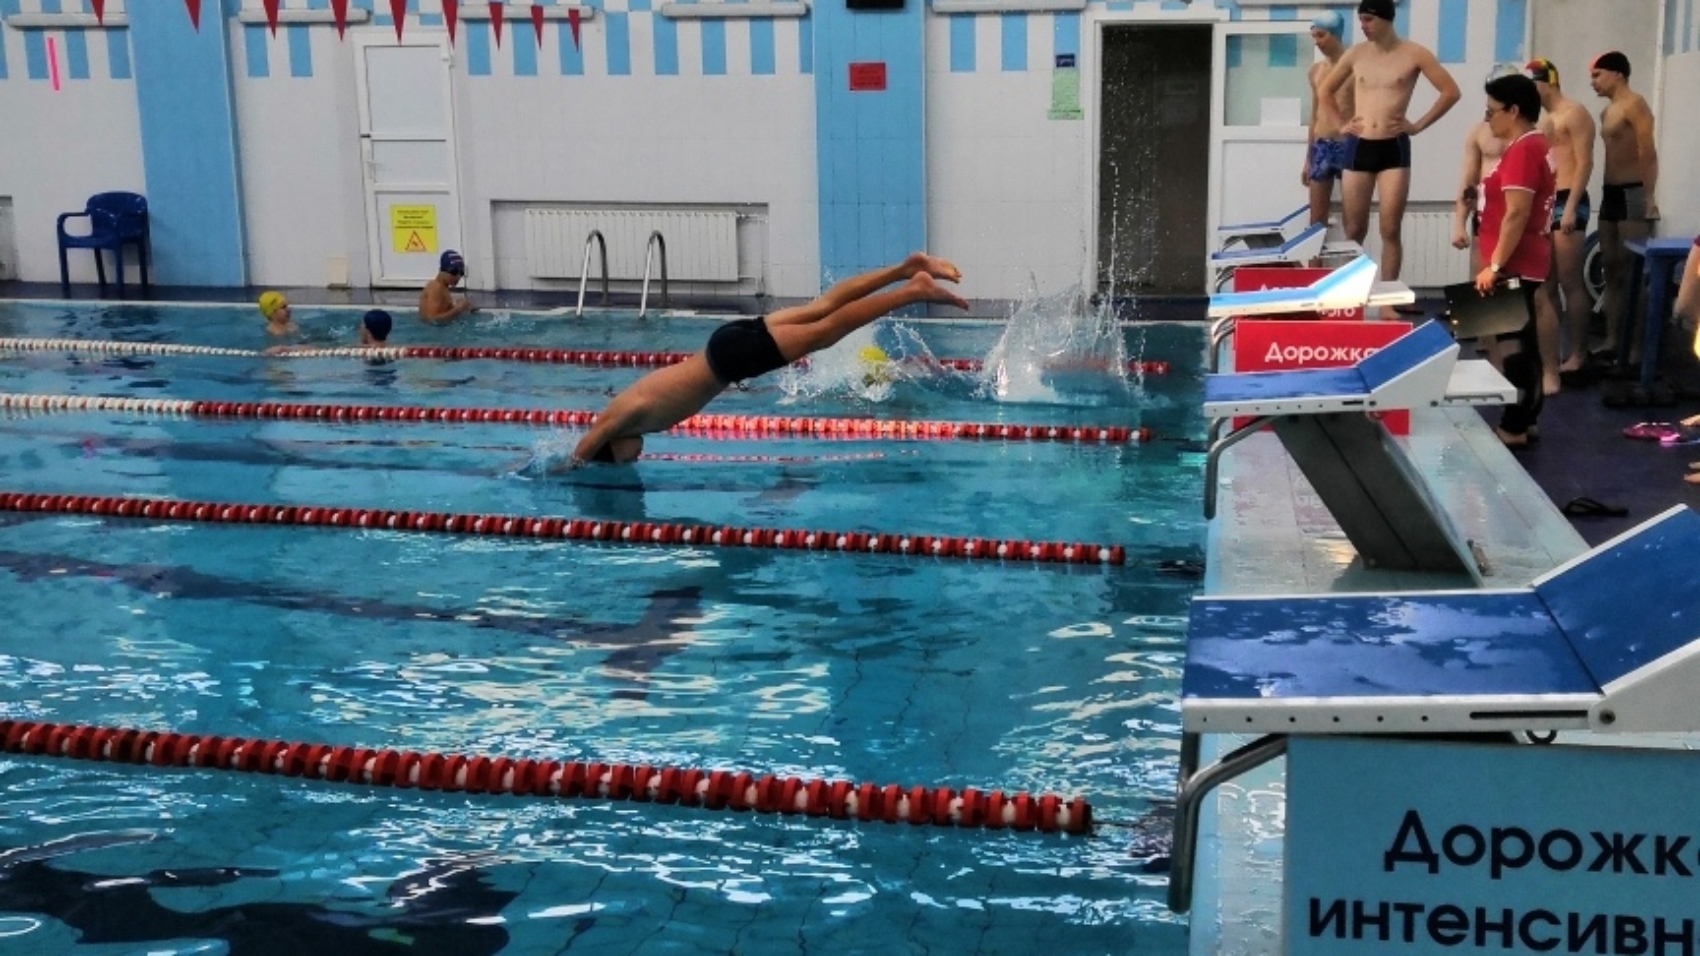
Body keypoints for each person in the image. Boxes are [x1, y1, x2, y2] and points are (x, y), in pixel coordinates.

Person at [570, 252, 968, 466]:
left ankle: (912, 290)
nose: (633, 459)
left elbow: (589, 441)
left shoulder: (619, 421)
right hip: (722, 344)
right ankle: (907, 268)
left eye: (624, 459)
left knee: (827, 331)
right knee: (823, 307)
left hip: (730, 361)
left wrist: (567, 467)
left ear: (612, 446)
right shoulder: (626, 415)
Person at [1319, 0, 1460, 284]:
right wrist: (1339, 125)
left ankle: (1386, 297)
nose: (1363, 27)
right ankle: (1352, 293)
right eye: (1361, 21)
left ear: (1385, 20)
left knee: (1390, 229)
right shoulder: (1357, 54)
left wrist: (1417, 125)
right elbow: (1325, 91)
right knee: (1355, 229)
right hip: (1359, 146)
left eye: (1368, 21)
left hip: (1393, 147)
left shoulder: (1414, 54)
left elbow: (1450, 92)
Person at [1472, 74, 1555, 449]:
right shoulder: (1532, 144)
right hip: (1522, 259)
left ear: (1514, 110)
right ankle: (1528, 418)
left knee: (1513, 346)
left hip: (1515, 262)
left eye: (1492, 112)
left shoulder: (1524, 149)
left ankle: (1515, 424)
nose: (1488, 119)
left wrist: (1495, 264)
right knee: (1523, 340)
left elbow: (1517, 214)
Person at [1524, 57, 1596, 392]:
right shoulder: (1546, 120)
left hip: (1570, 199)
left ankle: (1579, 353)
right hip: (1549, 200)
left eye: (1534, 84)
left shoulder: (1574, 113)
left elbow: (1584, 161)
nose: (1532, 92)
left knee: (1570, 280)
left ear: (1549, 82)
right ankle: (1550, 356)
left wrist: (1569, 207)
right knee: (1545, 283)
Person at [1589, 51, 1660, 362]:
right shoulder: (1608, 113)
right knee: (1611, 269)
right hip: (1610, 194)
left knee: (1633, 272)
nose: (1593, 82)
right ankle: (1612, 339)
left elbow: (1648, 152)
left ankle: (1635, 348)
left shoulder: (1636, 105)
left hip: (1632, 192)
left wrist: (1649, 197)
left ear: (1617, 74)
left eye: (1597, 75)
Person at [1303, 11, 1353, 227]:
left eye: (1321, 36)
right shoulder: (1316, 71)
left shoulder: (1355, 68)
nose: (1317, 42)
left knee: (1353, 221)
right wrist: (1308, 158)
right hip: (1322, 145)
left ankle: (1350, 262)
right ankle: (1315, 262)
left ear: (1335, 34)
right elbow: (1314, 116)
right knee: (1316, 219)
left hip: (1349, 145)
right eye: (1314, 36)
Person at [419, 249, 477, 323]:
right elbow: (431, 320)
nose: (458, 277)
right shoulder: (435, 287)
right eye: (454, 272)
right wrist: (458, 309)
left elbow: (442, 312)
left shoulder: (443, 287)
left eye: (461, 273)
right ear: (442, 270)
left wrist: (463, 307)